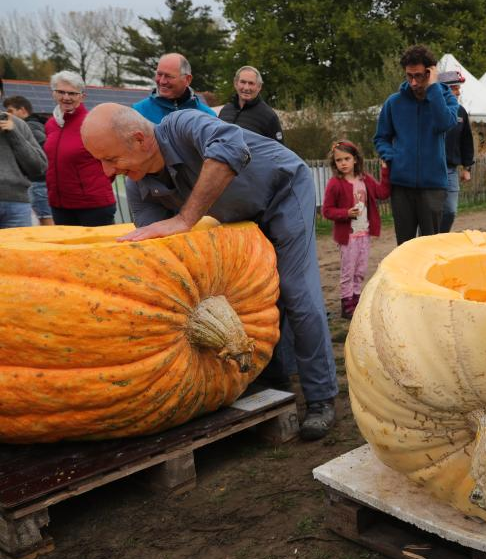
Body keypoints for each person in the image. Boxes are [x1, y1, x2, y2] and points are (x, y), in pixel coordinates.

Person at [80, 104, 339, 441]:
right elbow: (161, 254)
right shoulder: (139, 185)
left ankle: (321, 397)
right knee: (256, 297)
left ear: (140, 140)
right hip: (240, 216)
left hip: (283, 191)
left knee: (297, 292)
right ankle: (275, 376)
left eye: (111, 159)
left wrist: (185, 219)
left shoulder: (184, 124)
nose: (105, 172)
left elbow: (232, 145)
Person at [373, 44, 459, 245]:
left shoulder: (446, 99)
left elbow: (444, 123)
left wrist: (433, 88)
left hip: (433, 186)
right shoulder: (394, 102)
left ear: (431, 72)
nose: (413, 82)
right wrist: (393, 157)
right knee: (404, 247)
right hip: (401, 186)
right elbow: (381, 138)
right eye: (408, 76)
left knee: (430, 247)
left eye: (419, 76)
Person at [321, 140, 390, 319]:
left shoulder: (365, 179)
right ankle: (346, 306)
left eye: (347, 158)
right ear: (334, 163)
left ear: (356, 160)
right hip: (348, 237)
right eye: (338, 160)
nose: (343, 163)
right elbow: (327, 210)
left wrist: (385, 170)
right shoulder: (335, 183)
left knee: (360, 270)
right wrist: (345, 213)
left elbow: (383, 192)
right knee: (348, 271)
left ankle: (356, 301)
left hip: (364, 235)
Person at [43, 71, 117, 226]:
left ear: (82, 96)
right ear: (53, 94)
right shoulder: (51, 124)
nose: (66, 97)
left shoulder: (94, 124)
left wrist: (91, 187)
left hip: (93, 206)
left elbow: (113, 161)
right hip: (59, 206)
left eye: (72, 93)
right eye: (61, 92)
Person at [0, 79, 48, 229]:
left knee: (20, 252)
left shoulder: (19, 124)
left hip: (17, 205)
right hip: (17, 206)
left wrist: (13, 133)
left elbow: (39, 167)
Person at [132, 53, 218, 124]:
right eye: (159, 74)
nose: (162, 81)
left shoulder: (208, 117)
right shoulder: (138, 112)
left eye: (168, 76)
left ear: (187, 79)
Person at [438, 70, 474, 233]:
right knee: (430, 212)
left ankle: (441, 237)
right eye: (454, 88)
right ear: (442, 89)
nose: (458, 92)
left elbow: (466, 141)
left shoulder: (461, 112)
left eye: (458, 88)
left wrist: (467, 167)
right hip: (430, 170)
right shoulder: (432, 110)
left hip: (451, 170)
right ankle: (425, 242)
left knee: (450, 210)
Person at [218, 66, 285, 143]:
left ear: (259, 87)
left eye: (251, 83)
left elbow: (279, 150)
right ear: (235, 84)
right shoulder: (225, 110)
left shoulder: (268, 116)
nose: (246, 88)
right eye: (243, 82)